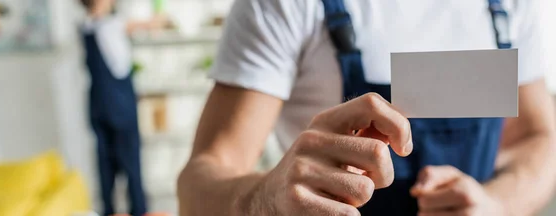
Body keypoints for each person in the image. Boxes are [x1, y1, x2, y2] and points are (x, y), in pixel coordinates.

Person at [178, 0, 556, 215]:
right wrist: (265, 199)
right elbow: (197, 184)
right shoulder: (284, 5)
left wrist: (497, 203)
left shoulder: (510, 5)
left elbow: (541, 137)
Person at [78, 0, 166, 215]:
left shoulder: (84, 26)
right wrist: (158, 17)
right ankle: (139, 210)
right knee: (131, 160)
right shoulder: (113, 24)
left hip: (97, 104)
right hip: (120, 104)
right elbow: (148, 24)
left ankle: (108, 210)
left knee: (106, 163)